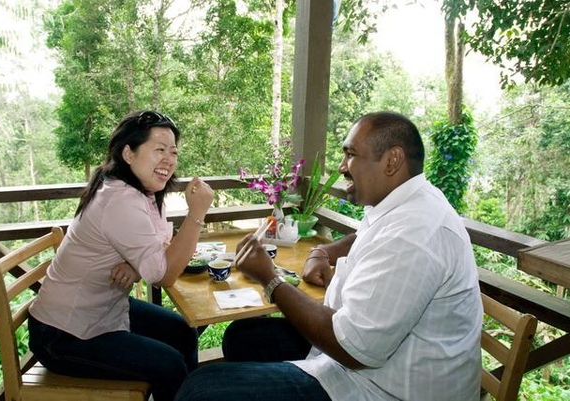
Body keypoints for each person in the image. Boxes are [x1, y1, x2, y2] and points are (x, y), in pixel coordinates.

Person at [175, 111, 482, 400]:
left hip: (385, 387)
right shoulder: (405, 203)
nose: (342, 166)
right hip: (369, 360)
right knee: (244, 336)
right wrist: (323, 251)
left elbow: (354, 349)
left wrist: (270, 278)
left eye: (351, 154)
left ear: (392, 161)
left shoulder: (416, 233)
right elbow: (366, 236)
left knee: (201, 389)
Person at [28, 110, 214, 400]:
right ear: (129, 153)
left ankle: (183, 396)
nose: (169, 159)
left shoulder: (142, 193)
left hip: (103, 311)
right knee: (169, 366)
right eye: (159, 150)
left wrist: (135, 264)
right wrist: (197, 213)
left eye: (174, 152)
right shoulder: (120, 199)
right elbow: (164, 275)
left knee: (182, 332)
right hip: (63, 334)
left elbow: (159, 245)